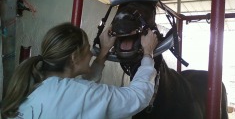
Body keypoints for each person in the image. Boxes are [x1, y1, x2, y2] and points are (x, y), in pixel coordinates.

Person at [2, 22, 158, 119]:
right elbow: (137, 97)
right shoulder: (75, 94)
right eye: (87, 49)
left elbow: (81, 89)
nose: (91, 53)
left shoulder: (38, 84)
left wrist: (103, 51)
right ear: (74, 56)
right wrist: (148, 53)